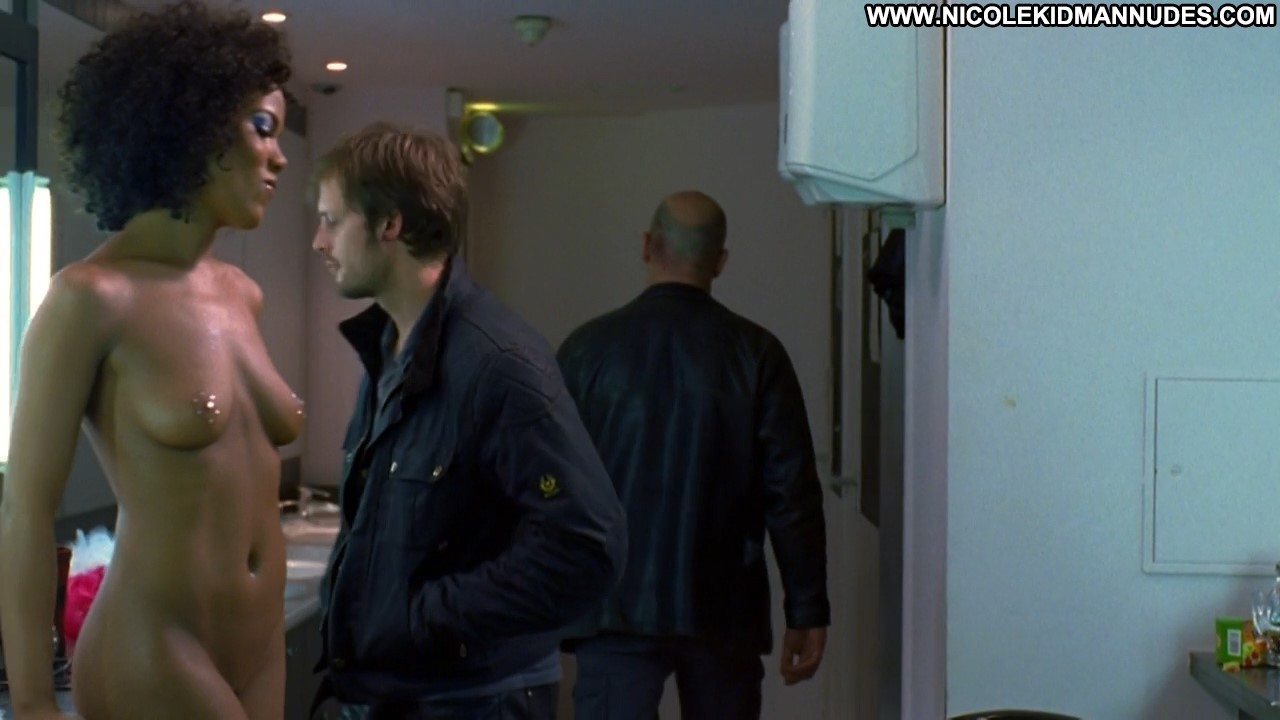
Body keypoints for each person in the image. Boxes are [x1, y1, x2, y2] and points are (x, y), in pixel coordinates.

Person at [0, 3, 297, 719]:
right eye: (263, 127)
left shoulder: (242, 294)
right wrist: (34, 700)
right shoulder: (90, 299)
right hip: (156, 645)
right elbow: (25, 508)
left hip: (260, 643)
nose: (279, 157)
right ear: (193, 126)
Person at [308, 123, 627, 720]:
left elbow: (586, 545)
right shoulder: (390, 347)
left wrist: (424, 616)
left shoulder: (496, 364)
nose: (318, 242)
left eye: (331, 220)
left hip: (470, 702)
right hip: (395, 692)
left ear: (389, 223)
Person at [557, 190, 831, 720]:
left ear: (646, 245)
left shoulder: (586, 351)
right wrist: (807, 608)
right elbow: (791, 495)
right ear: (720, 261)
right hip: (723, 606)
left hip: (613, 604)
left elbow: (548, 482)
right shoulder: (757, 354)